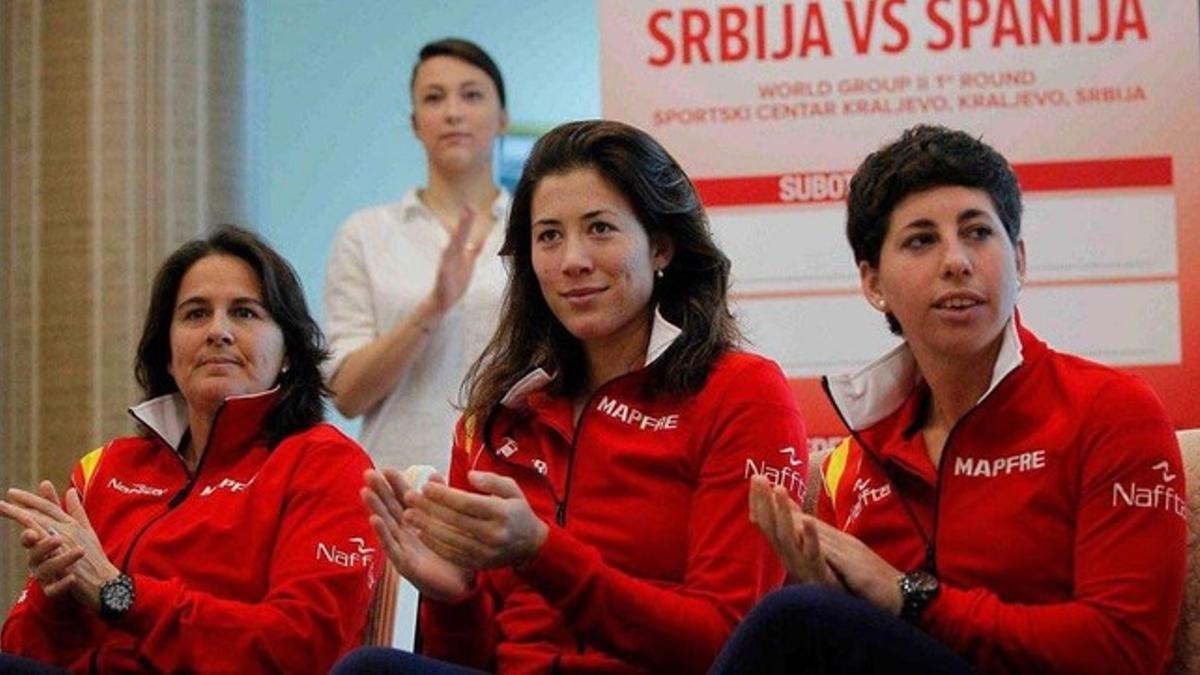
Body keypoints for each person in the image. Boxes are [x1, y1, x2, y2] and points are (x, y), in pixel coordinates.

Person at [333, 120, 809, 674]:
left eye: (600, 229)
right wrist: (451, 597)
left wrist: (543, 553)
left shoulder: (740, 391)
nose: (571, 260)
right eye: (549, 236)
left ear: (660, 245)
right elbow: (472, 660)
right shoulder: (498, 415)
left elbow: (726, 645)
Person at [712, 125, 1188, 674]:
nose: (957, 261)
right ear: (873, 283)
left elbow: (1125, 650)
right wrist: (847, 600)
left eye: (978, 233)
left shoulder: (1111, 410)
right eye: (921, 240)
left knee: (797, 618)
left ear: (1020, 260)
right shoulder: (857, 459)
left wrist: (907, 596)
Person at [0, 226, 380, 674]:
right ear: (167, 352)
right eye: (196, 314)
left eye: (244, 313)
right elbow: (20, 652)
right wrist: (56, 596)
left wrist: (118, 593)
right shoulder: (105, 468)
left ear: (288, 353)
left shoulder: (326, 463)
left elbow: (304, 650)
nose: (218, 331)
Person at [323, 37, 511, 473]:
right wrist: (433, 308)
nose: (453, 112)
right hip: (400, 488)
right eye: (434, 97)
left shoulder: (540, 231)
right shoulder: (366, 234)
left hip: (517, 488)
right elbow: (348, 396)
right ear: (415, 123)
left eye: (472, 95)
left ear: (502, 118)